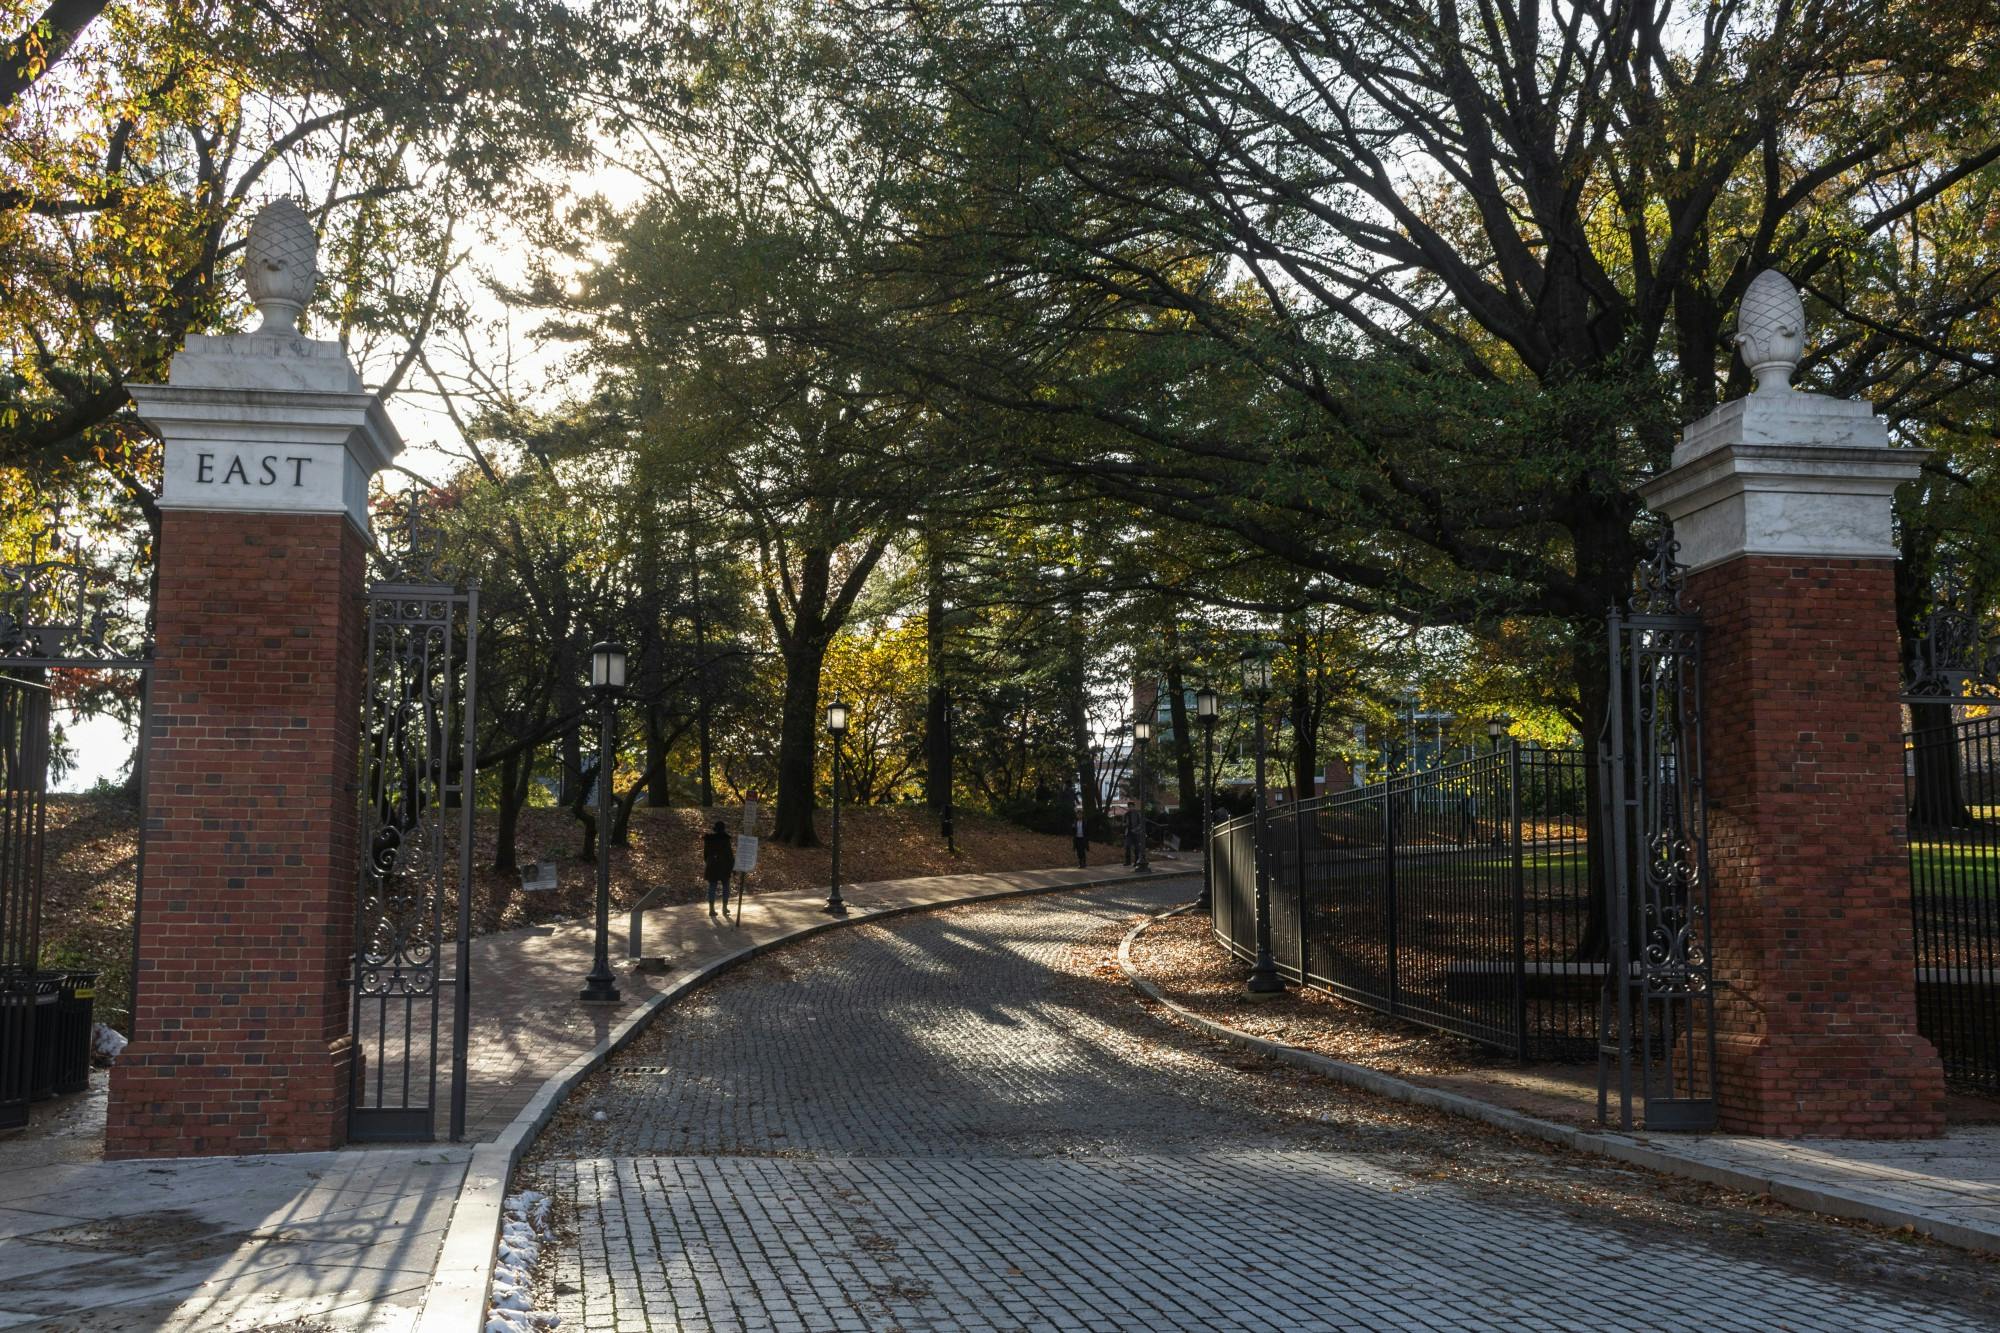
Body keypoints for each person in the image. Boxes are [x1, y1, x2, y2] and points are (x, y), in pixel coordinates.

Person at [703, 820, 734, 918]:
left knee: (712, 887)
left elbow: (705, 855)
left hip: (712, 866)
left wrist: (710, 862)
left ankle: (711, 909)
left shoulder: (709, 839)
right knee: (726, 887)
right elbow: (730, 855)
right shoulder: (726, 839)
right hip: (724, 866)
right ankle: (724, 908)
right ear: (723, 829)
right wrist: (733, 867)